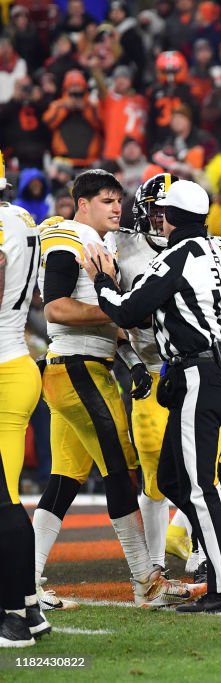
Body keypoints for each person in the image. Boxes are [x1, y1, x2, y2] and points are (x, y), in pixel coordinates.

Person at [82, 179, 221, 613]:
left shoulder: (178, 255)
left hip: (198, 374)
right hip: (214, 371)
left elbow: (130, 309)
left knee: (197, 486)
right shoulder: (215, 251)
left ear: (170, 217)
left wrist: (102, 281)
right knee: (172, 479)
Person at [33, 170, 201, 611]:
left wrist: (126, 350)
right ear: (81, 202)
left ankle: (24, 581)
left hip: (79, 367)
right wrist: (116, 310)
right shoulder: (74, 235)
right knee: (123, 471)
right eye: (106, 200)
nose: (116, 208)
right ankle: (146, 580)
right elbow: (56, 307)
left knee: (64, 480)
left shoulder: (98, 241)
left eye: (118, 200)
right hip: (77, 368)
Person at [113, 173, 178, 573]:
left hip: (191, 370)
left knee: (203, 467)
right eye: (155, 208)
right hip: (150, 371)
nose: (161, 217)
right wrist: (133, 363)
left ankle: (204, 555)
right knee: (152, 470)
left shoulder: (196, 249)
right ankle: (155, 564)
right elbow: (110, 316)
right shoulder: (122, 246)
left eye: (168, 210)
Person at [0, 168, 49, 645]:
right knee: (8, 493)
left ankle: (12, 616)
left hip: (1, 366)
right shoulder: (20, 218)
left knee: (3, 498)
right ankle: (29, 606)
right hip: (16, 359)